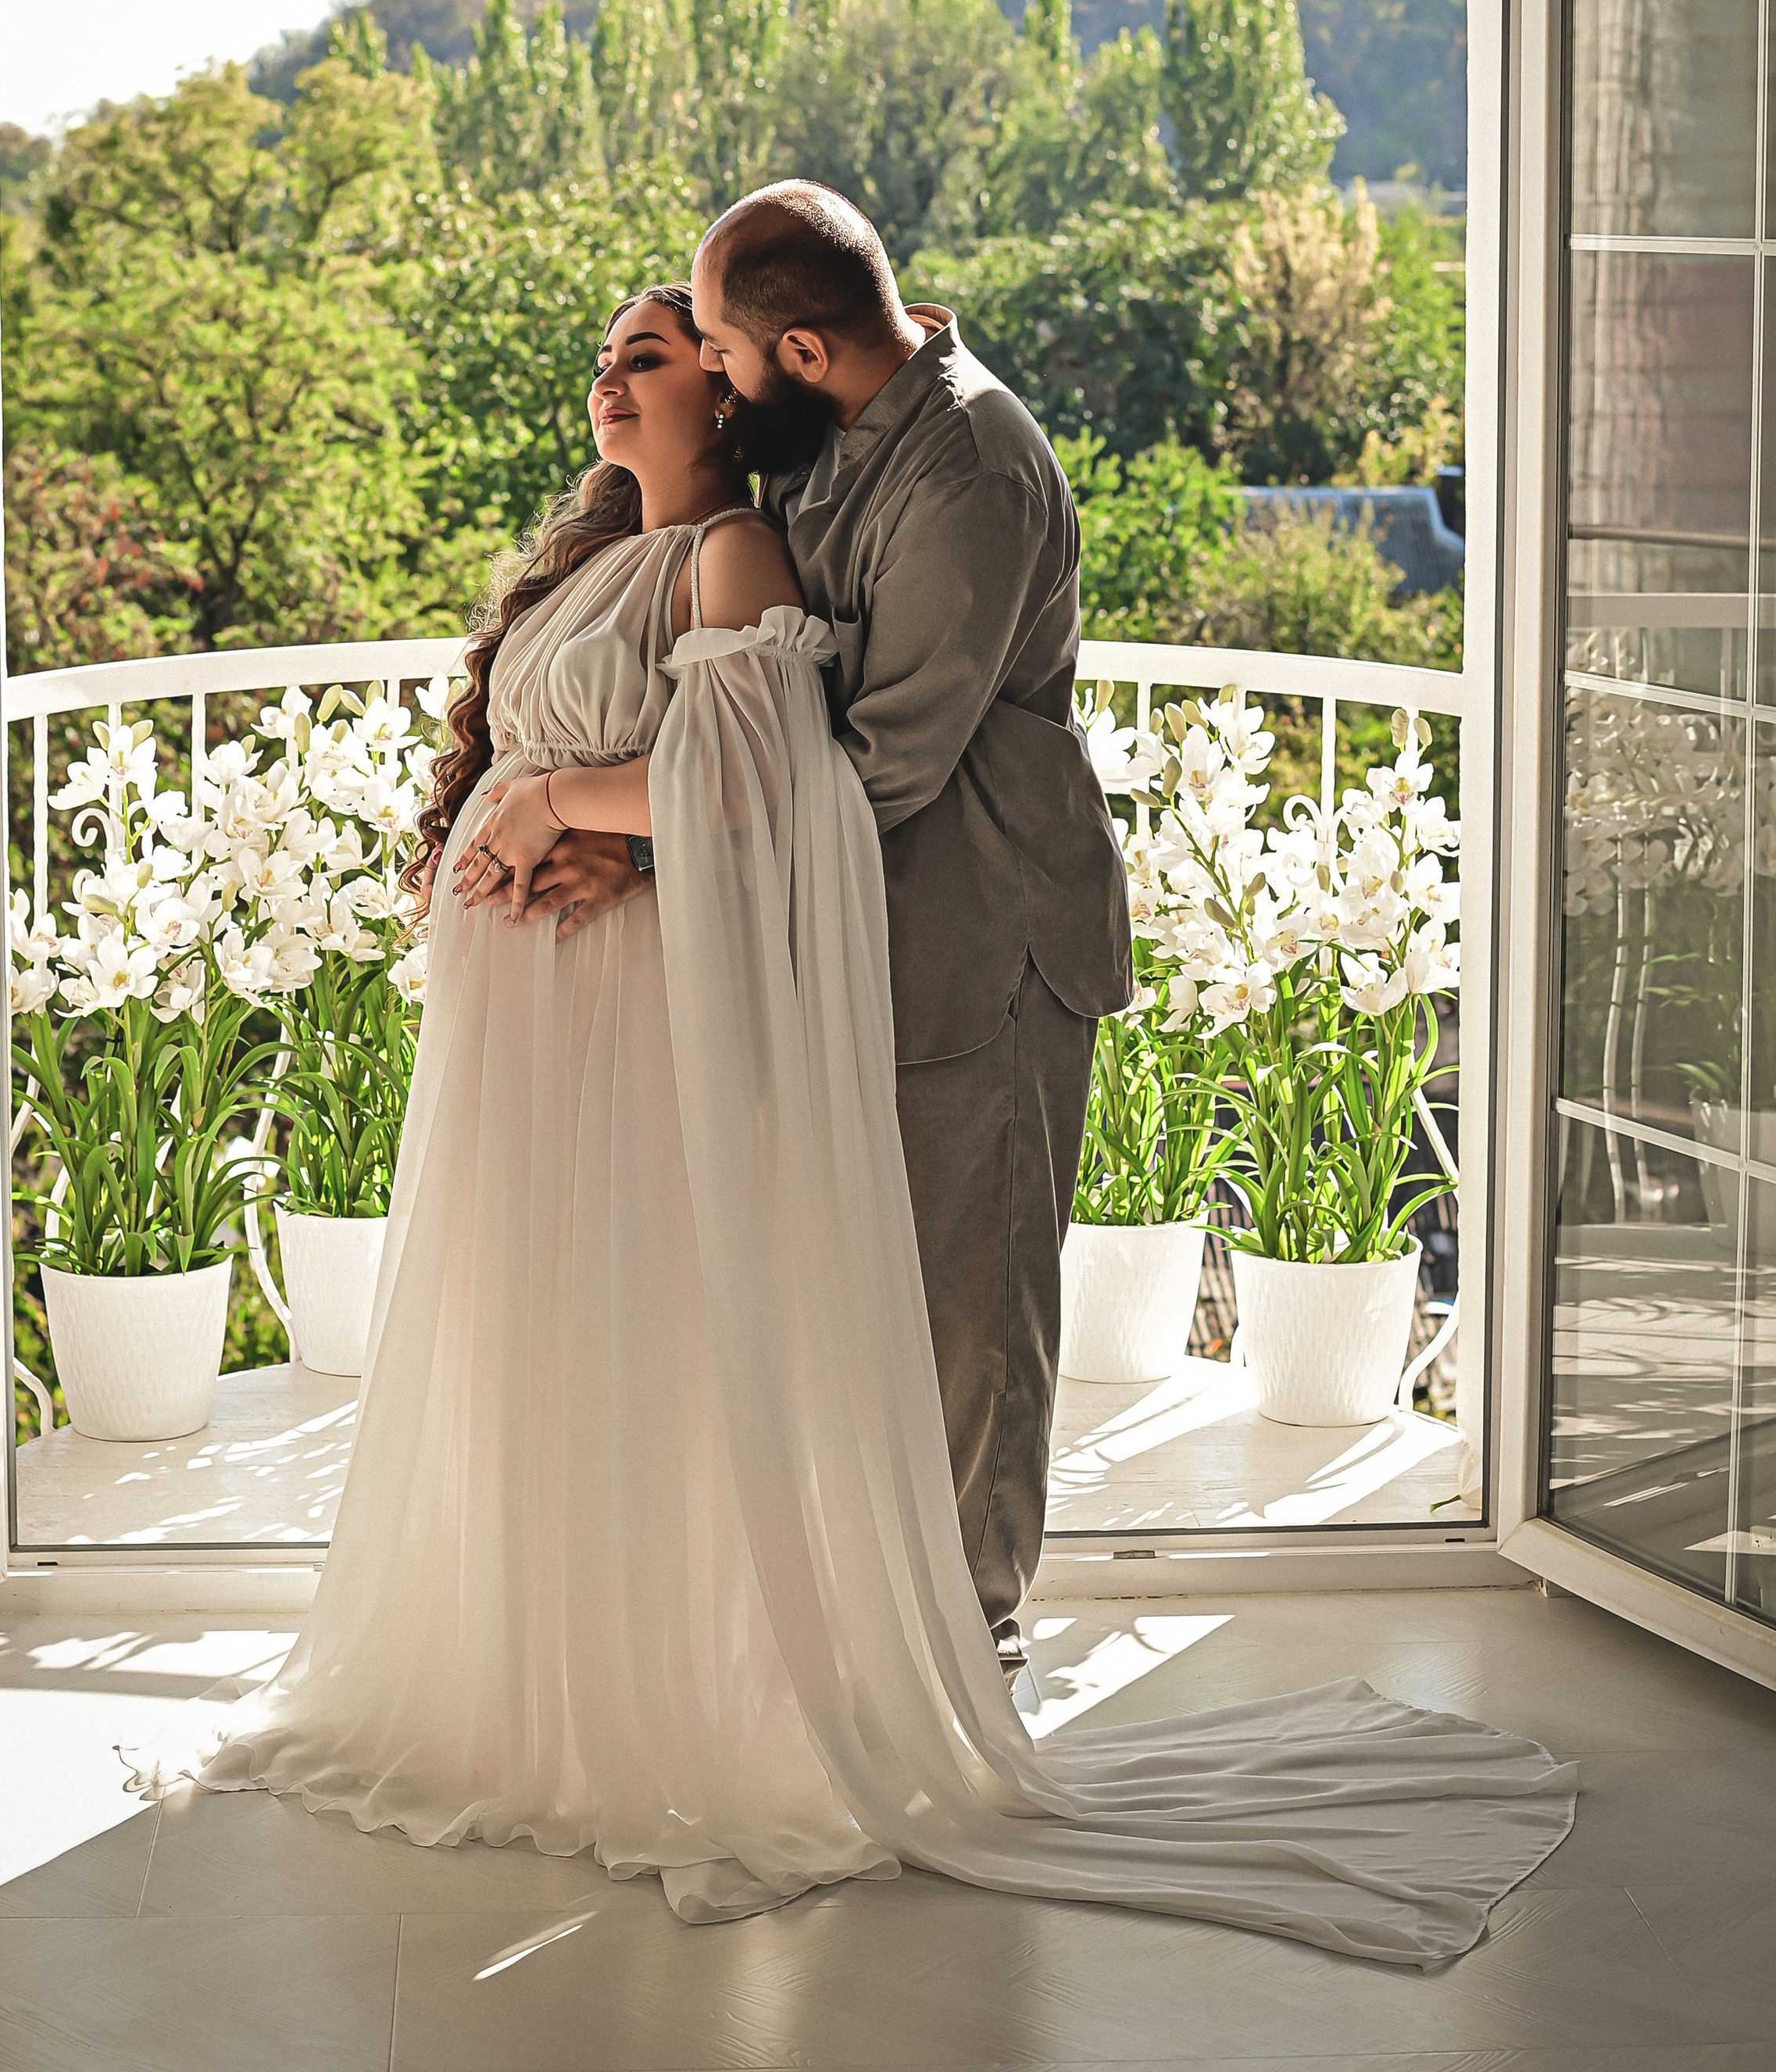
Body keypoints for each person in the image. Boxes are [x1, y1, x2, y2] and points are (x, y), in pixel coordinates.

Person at [161, 281, 1574, 1955]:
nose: (609, 386)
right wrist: (518, 814)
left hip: (629, 1013)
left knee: (707, 1332)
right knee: (530, 1337)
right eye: (602, 361)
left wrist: (559, 807)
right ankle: (528, 1679)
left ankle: (758, 1697)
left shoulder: (743, 555)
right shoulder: (594, 559)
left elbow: (761, 781)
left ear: (737, 393)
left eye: (652, 360)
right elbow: (646, 762)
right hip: (528, 1023)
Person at [689, 182, 1128, 1671]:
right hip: (872, 935)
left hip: (987, 934)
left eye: (728, 358)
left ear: (804, 349)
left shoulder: (970, 463)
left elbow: (889, 751)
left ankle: (968, 1646)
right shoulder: (829, 439)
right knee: (874, 1298)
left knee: (975, 1306)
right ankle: (875, 1617)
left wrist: (671, 846)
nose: (716, 384)